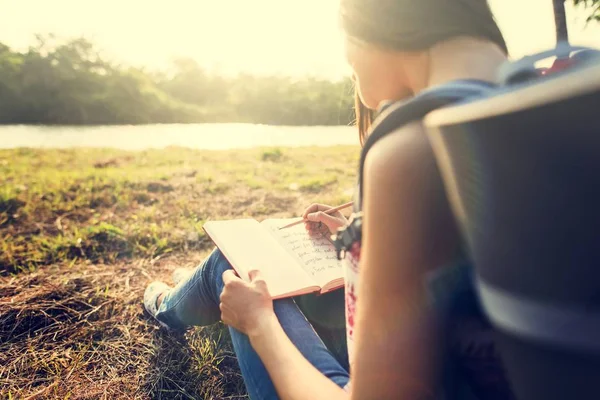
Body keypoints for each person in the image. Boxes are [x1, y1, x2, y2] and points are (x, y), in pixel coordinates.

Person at [144, 0, 516, 398]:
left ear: (372, 22)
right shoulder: (547, 107)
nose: (348, 63)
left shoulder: (413, 150)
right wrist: (362, 238)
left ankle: (170, 304)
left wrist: (260, 325)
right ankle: (190, 297)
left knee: (234, 264)